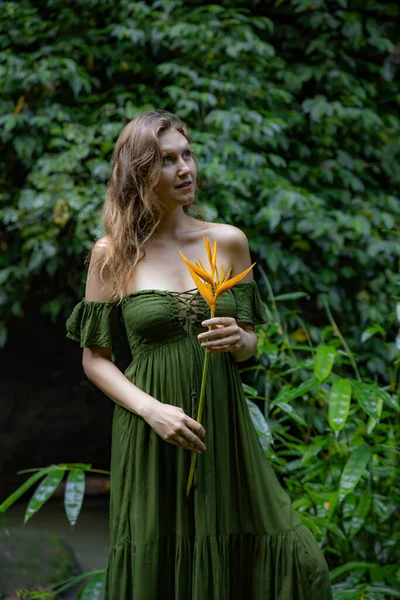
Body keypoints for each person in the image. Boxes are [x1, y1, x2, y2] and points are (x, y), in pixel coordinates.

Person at [66, 109, 332, 599]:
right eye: (167, 160)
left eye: (187, 154)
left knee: (299, 560)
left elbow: (251, 344)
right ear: (140, 172)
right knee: (161, 560)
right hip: (153, 433)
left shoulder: (228, 242)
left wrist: (240, 339)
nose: (185, 168)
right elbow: (95, 359)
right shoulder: (114, 253)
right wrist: (152, 410)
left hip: (224, 430)